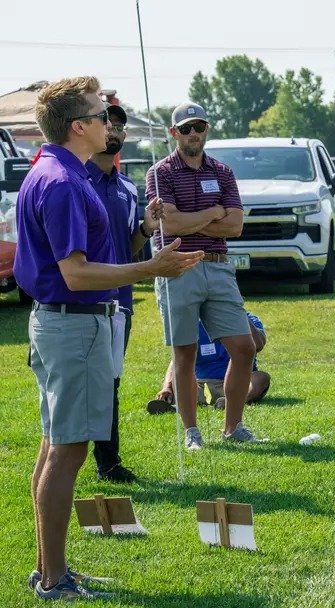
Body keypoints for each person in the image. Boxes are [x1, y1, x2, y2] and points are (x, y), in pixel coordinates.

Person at [14, 76, 201, 600]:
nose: (109, 122)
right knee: (67, 452)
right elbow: (75, 274)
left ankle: (48, 569)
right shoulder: (67, 183)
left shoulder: (51, 171)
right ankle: (54, 580)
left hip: (60, 325)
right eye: (101, 114)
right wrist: (151, 267)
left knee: (55, 446)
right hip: (74, 327)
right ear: (79, 127)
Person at [146, 102, 259, 449]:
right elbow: (171, 225)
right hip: (178, 266)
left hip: (219, 265)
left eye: (199, 126)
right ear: (174, 133)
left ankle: (233, 427)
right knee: (185, 352)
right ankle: (192, 433)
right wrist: (212, 212)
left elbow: (236, 225)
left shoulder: (223, 171)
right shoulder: (160, 172)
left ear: (206, 129)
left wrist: (192, 219)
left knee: (244, 347)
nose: (193, 133)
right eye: (186, 128)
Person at [84, 104, 153, 483]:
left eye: (120, 126)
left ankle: (108, 462)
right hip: (83, 300)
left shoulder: (128, 187)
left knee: (110, 380)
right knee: (85, 383)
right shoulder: (76, 180)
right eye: (106, 123)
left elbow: (131, 249)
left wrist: (146, 227)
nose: (113, 130)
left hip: (120, 303)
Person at [151, 312, 270, 412]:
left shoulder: (248, 318)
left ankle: (230, 401)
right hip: (200, 385)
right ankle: (171, 404)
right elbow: (177, 358)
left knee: (261, 378)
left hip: (238, 383)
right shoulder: (193, 323)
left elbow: (258, 344)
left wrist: (239, 315)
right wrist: (166, 386)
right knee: (181, 379)